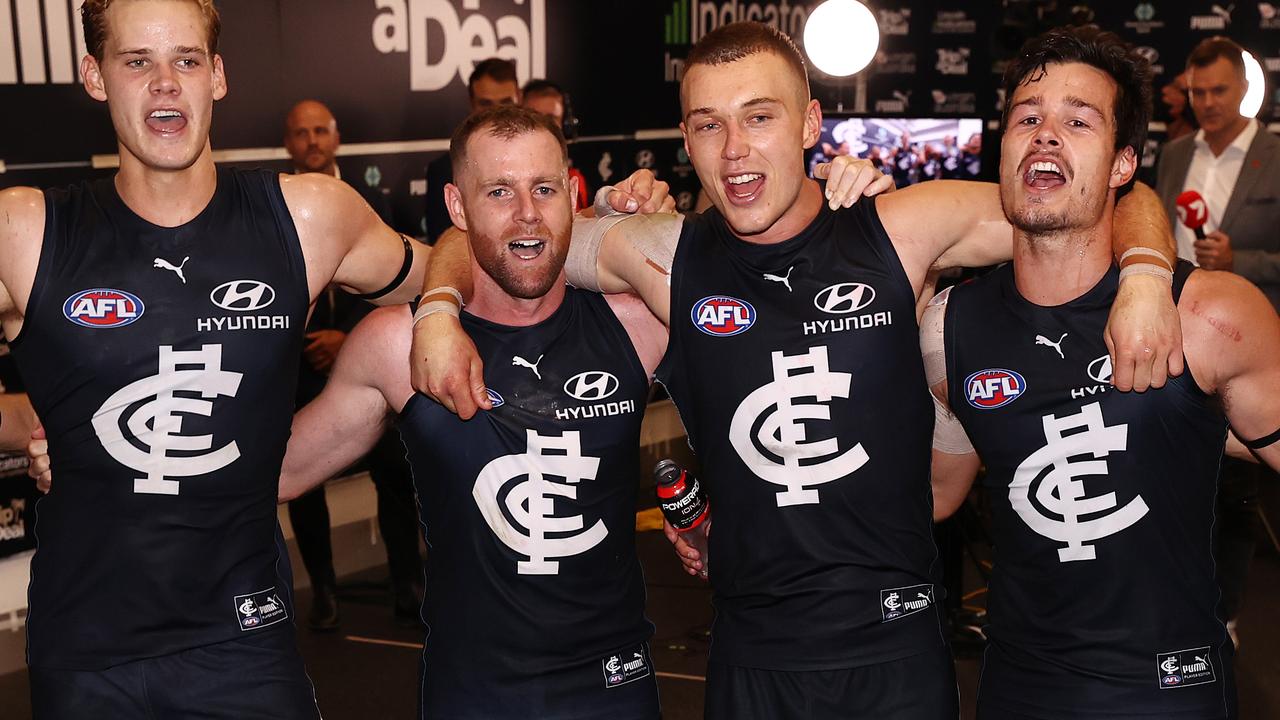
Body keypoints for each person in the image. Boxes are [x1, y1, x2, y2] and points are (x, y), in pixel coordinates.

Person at [412, 20, 1183, 720]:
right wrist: (439, 308)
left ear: (811, 123)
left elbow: (1097, 191)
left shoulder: (902, 228)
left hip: (895, 651)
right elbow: (497, 228)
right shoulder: (661, 255)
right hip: (753, 659)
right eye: (708, 126)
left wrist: (1146, 271)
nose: (734, 150)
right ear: (685, 138)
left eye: (759, 116)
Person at [0, 0, 435, 715]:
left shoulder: (307, 216)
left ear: (219, 76)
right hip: (86, 655)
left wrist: (600, 234)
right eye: (137, 61)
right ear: (94, 75)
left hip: (244, 647)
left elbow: (462, 271)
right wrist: (33, 426)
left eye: (187, 60)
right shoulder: (26, 229)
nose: (166, 82)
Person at [925, 25, 1280, 719]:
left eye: (1077, 121)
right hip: (1018, 687)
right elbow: (935, 493)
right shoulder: (948, 326)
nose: (1046, 134)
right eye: (1027, 118)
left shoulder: (1208, 313)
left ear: (1123, 166)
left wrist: (1147, 275)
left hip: (1169, 690)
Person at [282, 105, 673, 718]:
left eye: (544, 188)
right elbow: (278, 472)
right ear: (458, 208)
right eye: (498, 191)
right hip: (474, 694)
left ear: (571, 192)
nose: (526, 212)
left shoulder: (638, 321)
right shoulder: (396, 343)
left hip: (614, 685)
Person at [1155, 36, 1280, 645]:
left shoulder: (1277, 155)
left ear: (1245, 90)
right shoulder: (1174, 154)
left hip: (1247, 347)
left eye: (1219, 91)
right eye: (1198, 91)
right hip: (1171, 335)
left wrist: (1243, 259)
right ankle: (1171, 599)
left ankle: (1226, 615)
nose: (1206, 102)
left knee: (1234, 489)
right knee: (1166, 474)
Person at [282, 99, 424, 630]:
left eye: (321, 130)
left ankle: (410, 584)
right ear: (289, 143)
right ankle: (323, 591)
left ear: (336, 137)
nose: (312, 141)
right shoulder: (274, 213)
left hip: (374, 368)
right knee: (301, 485)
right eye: (301, 133)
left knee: (395, 474)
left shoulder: (380, 200)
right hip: (299, 372)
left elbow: (408, 281)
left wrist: (350, 340)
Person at [424, 58, 521, 242]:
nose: (497, 112)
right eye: (486, 104)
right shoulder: (444, 170)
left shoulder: (544, 163)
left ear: (519, 98)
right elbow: (445, 247)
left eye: (506, 103)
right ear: (472, 104)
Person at [521, 79, 590, 211]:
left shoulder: (574, 180)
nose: (542, 125)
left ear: (563, 124)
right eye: (534, 117)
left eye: (550, 119)